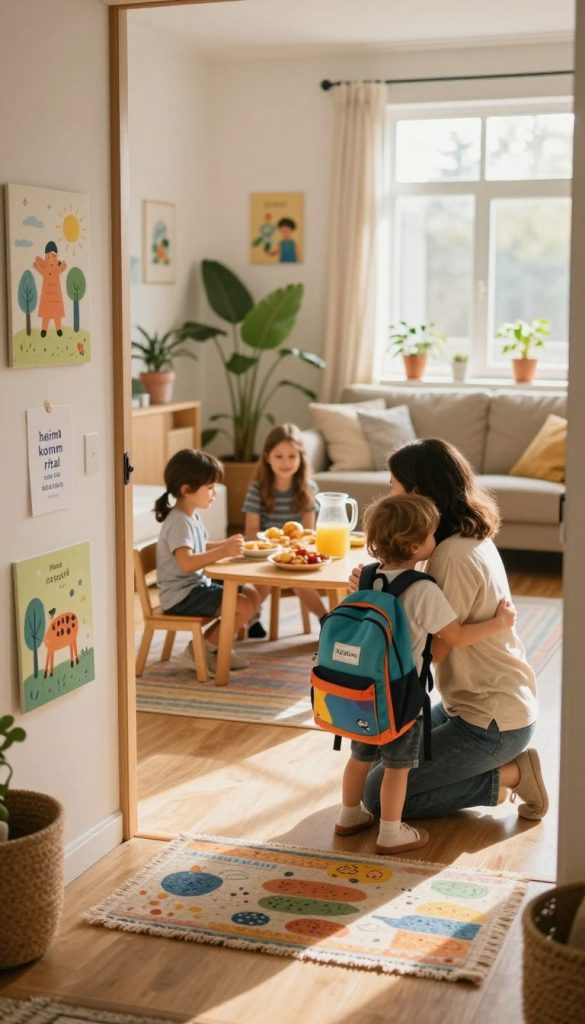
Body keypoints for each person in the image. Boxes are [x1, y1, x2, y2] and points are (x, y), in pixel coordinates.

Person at [348, 438, 549, 823]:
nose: (389, 492)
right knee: (379, 766)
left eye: (393, 484)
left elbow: (431, 649)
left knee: (378, 796)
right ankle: (501, 766)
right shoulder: (463, 538)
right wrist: (376, 590)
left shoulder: (451, 558)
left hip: (491, 721)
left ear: (417, 493)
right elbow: (417, 612)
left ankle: (515, 773)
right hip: (470, 704)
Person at [336, 492, 516, 855]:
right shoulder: (423, 590)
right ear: (416, 545)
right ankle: (390, 832)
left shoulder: (366, 577)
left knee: (360, 758)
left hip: (363, 693)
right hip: (402, 697)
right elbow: (457, 637)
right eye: (433, 534)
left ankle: (348, 816)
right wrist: (500, 623)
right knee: (398, 768)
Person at [155, 448, 261, 676]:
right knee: (241, 604)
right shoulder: (179, 522)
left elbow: (200, 547)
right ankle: (201, 650)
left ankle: (217, 649)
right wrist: (224, 550)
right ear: (187, 489)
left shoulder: (191, 515)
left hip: (195, 588)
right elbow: (186, 562)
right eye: (210, 487)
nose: (215, 493)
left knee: (251, 594)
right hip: (181, 596)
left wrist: (228, 546)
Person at [243, 424, 327, 636]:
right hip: (265, 554)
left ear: (301, 458)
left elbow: (308, 532)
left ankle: (326, 620)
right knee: (263, 581)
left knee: (298, 581)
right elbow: (251, 531)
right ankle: (252, 619)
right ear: (267, 458)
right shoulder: (257, 489)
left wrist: (291, 547)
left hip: (294, 553)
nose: (286, 462)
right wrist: (275, 545)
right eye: (279, 456)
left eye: (292, 456)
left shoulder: (308, 488)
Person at [33, 240, 67, 337]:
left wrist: (60, 263)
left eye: (54, 256)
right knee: (46, 315)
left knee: (57, 315)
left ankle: (59, 329)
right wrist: (38, 264)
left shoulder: (57, 269)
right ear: (46, 257)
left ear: (56, 257)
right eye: (48, 257)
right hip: (47, 298)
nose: (51, 259)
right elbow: (37, 261)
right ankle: (44, 330)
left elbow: (64, 266)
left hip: (55, 298)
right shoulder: (46, 269)